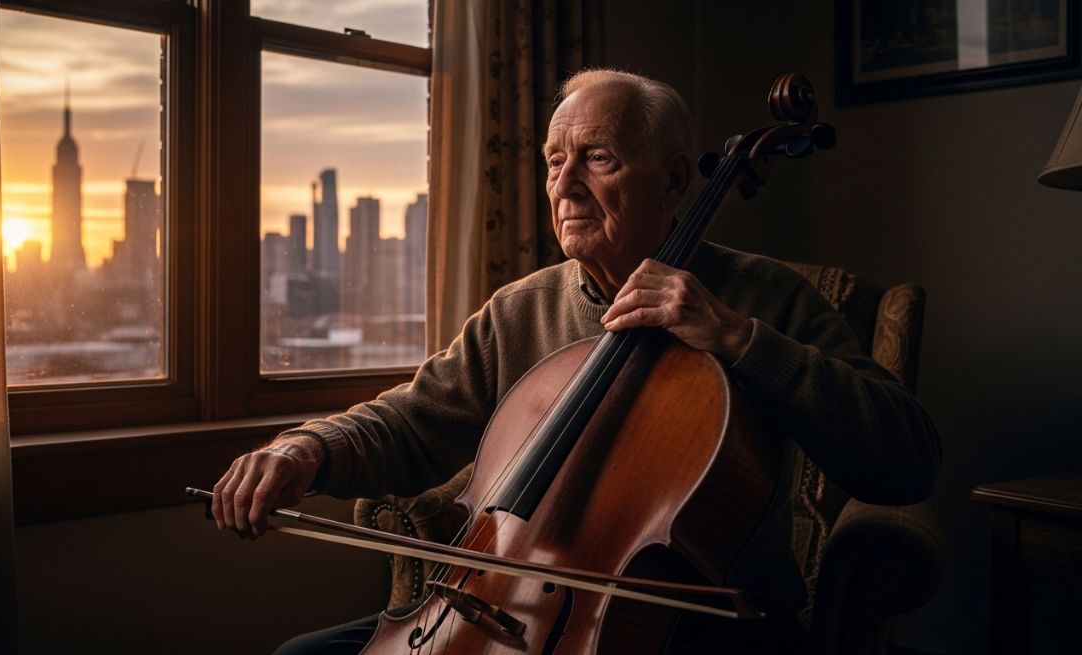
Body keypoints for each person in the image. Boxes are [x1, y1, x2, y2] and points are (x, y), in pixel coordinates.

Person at [211, 69, 941, 654]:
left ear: (675, 179)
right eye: (555, 162)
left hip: (701, 628)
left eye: (596, 158)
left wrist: (736, 336)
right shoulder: (520, 309)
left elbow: (904, 456)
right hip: (511, 612)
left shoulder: (764, 298)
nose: (563, 185)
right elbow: (414, 418)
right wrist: (307, 446)